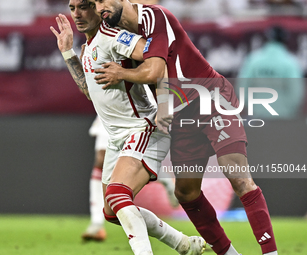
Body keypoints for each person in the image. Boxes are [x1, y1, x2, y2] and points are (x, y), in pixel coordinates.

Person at [89, 1, 278, 255]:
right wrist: (71, 53)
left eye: (103, 0)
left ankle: (270, 253)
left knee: (238, 175)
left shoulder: (154, 16)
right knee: (186, 192)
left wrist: (122, 75)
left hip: (210, 99)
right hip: (180, 117)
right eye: (96, 3)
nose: (100, 7)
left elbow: (156, 68)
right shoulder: (120, 36)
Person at [50, 1, 206, 255]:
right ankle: (183, 244)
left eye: (84, 6)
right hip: (116, 139)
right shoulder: (89, 47)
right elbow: (91, 91)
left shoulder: (115, 37)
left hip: (141, 127)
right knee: (112, 212)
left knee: (118, 194)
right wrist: (68, 53)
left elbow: (159, 62)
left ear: (98, 9)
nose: (77, 14)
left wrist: (164, 104)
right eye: (72, 7)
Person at [82, 115, 178, 242]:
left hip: (132, 107)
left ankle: (164, 179)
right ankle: (97, 222)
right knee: (101, 158)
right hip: (107, 104)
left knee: (133, 158)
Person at [238, 25, 304, 120]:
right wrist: (288, 111)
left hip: (257, 116)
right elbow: (296, 93)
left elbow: (242, 87)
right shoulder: (291, 63)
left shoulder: (253, 60)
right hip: (283, 118)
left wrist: (251, 107)